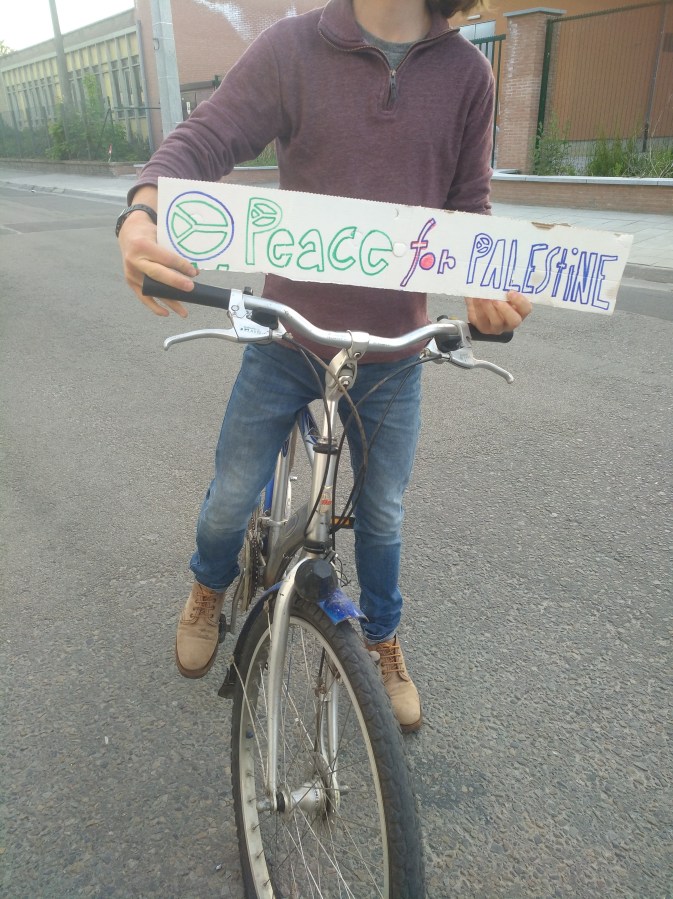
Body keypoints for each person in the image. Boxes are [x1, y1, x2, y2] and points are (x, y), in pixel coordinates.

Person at [118, 0, 532, 733]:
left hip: (393, 349)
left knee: (382, 512)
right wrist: (143, 211)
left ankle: (380, 639)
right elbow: (208, 136)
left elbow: (468, 205)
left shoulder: (468, 73)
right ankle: (208, 587)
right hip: (288, 336)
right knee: (230, 494)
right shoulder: (292, 46)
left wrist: (485, 284)